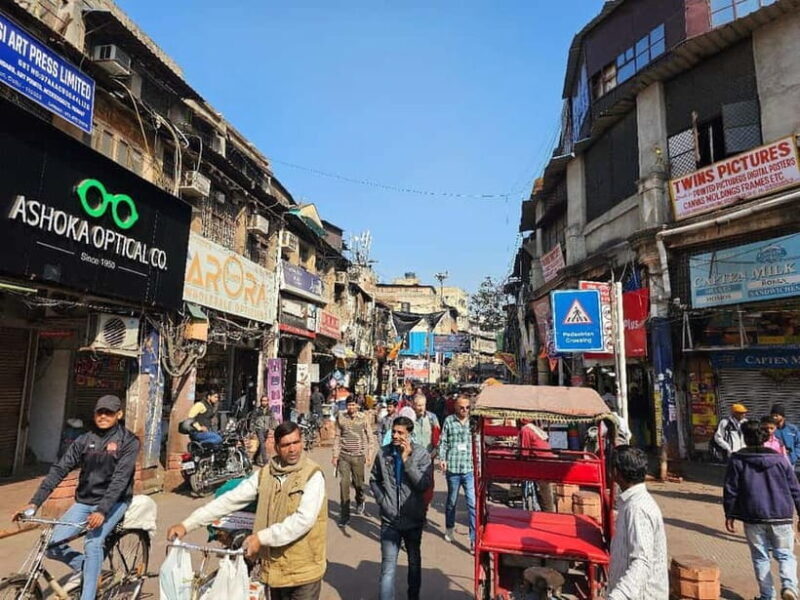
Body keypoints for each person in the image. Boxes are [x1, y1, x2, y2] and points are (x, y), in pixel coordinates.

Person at [168, 421, 327, 600]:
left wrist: (262, 537)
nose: (292, 449)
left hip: (303, 570)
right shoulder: (266, 473)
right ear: (276, 447)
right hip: (274, 569)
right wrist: (187, 524)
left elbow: (302, 521)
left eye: (296, 443)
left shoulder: (313, 475)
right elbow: (230, 500)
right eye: (286, 445)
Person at [14, 395, 139, 599]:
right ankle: (90, 567)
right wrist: (34, 503)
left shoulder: (129, 441)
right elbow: (59, 469)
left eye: (109, 412)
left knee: (92, 543)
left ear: (119, 414)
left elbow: (121, 480)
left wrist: (102, 510)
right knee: (51, 545)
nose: (104, 416)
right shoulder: (84, 440)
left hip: (114, 502)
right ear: (95, 414)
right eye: (100, 412)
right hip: (85, 501)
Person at [724, 421, 800, 600]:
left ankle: (767, 596)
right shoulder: (780, 459)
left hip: (753, 516)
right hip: (781, 515)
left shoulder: (738, 460)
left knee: (760, 557)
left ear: (745, 439)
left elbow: (731, 489)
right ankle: (789, 586)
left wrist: (730, 513)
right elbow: (795, 488)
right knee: (786, 554)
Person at [371, 416, 433, 600]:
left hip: (413, 519)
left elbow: (423, 485)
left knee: (414, 563)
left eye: (400, 433)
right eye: (394, 431)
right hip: (390, 520)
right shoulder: (383, 453)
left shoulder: (422, 454)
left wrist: (407, 461)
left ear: (409, 434)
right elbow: (374, 479)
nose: (396, 436)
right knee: (388, 567)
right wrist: (383, 501)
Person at [608, 445, 668, 600]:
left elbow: (641, 562)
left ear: (616, 472)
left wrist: (616, 597)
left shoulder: (637, 508)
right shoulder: (631, 503)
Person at [438, 395, 476, 550]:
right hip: (453, 468)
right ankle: (449, 528)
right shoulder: (449, 421)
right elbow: (443, 441)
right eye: (462, 407)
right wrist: (442, 458)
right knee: (452, 501)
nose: (465, 410)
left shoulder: (473, 422)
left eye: (467, 407)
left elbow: (478, 442)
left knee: (472, 503)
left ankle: (473, 538)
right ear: (455, 407)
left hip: (469, 468)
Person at [333, 395, 373, 527]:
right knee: (344, 484)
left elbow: (370, 437)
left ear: (357, 405)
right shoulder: (341, 417)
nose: (351, 407)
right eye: (349, 404)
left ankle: (360, 499)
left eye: (353, 404)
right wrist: (335, 455)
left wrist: (369, 454)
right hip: (344, 456)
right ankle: (345, 515)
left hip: (358, 457)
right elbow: (337, 437)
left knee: (358, 484)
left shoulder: (363, 418)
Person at [518, 420, 555, 513]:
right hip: (546, 459)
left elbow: (524, 451)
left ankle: (548, 513)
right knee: (545, 488)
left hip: (541, 461)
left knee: (543, 489)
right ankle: (547, 510)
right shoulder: (533, 428)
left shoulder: (526, 429)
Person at [411, 394, 440, 512]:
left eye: (422, 405)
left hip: (428, 458)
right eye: (418, 405)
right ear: (413, 405)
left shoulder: (432, 418)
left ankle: (423, 510)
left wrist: (434, 453)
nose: (420, 408)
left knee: (427, 486)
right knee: (412, 485)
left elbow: (438, 438)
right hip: (412, 458)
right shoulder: (409, 418)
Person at [772, 403, 800, 468]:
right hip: (775, 463)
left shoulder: (792, 429)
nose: (774, 418)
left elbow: (798, 442)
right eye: (772, 416)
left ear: (783, 417)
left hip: (790, 462)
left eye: (776, 415)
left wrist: (795, 456)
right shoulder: (770, 429)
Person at [252, 394, 277, 467]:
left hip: (266, 429)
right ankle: (265, 461)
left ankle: (255, 458)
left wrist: (274, 428)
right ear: (261, 401)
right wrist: (252, 429)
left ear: (268, 402)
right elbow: (252, 420)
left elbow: (272, 420)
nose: (264, 402)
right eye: (263, 401)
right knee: (263, 444)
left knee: (261, 445)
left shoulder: (270, 410)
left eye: (266, 401)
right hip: (259, 428)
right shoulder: (257, 410)